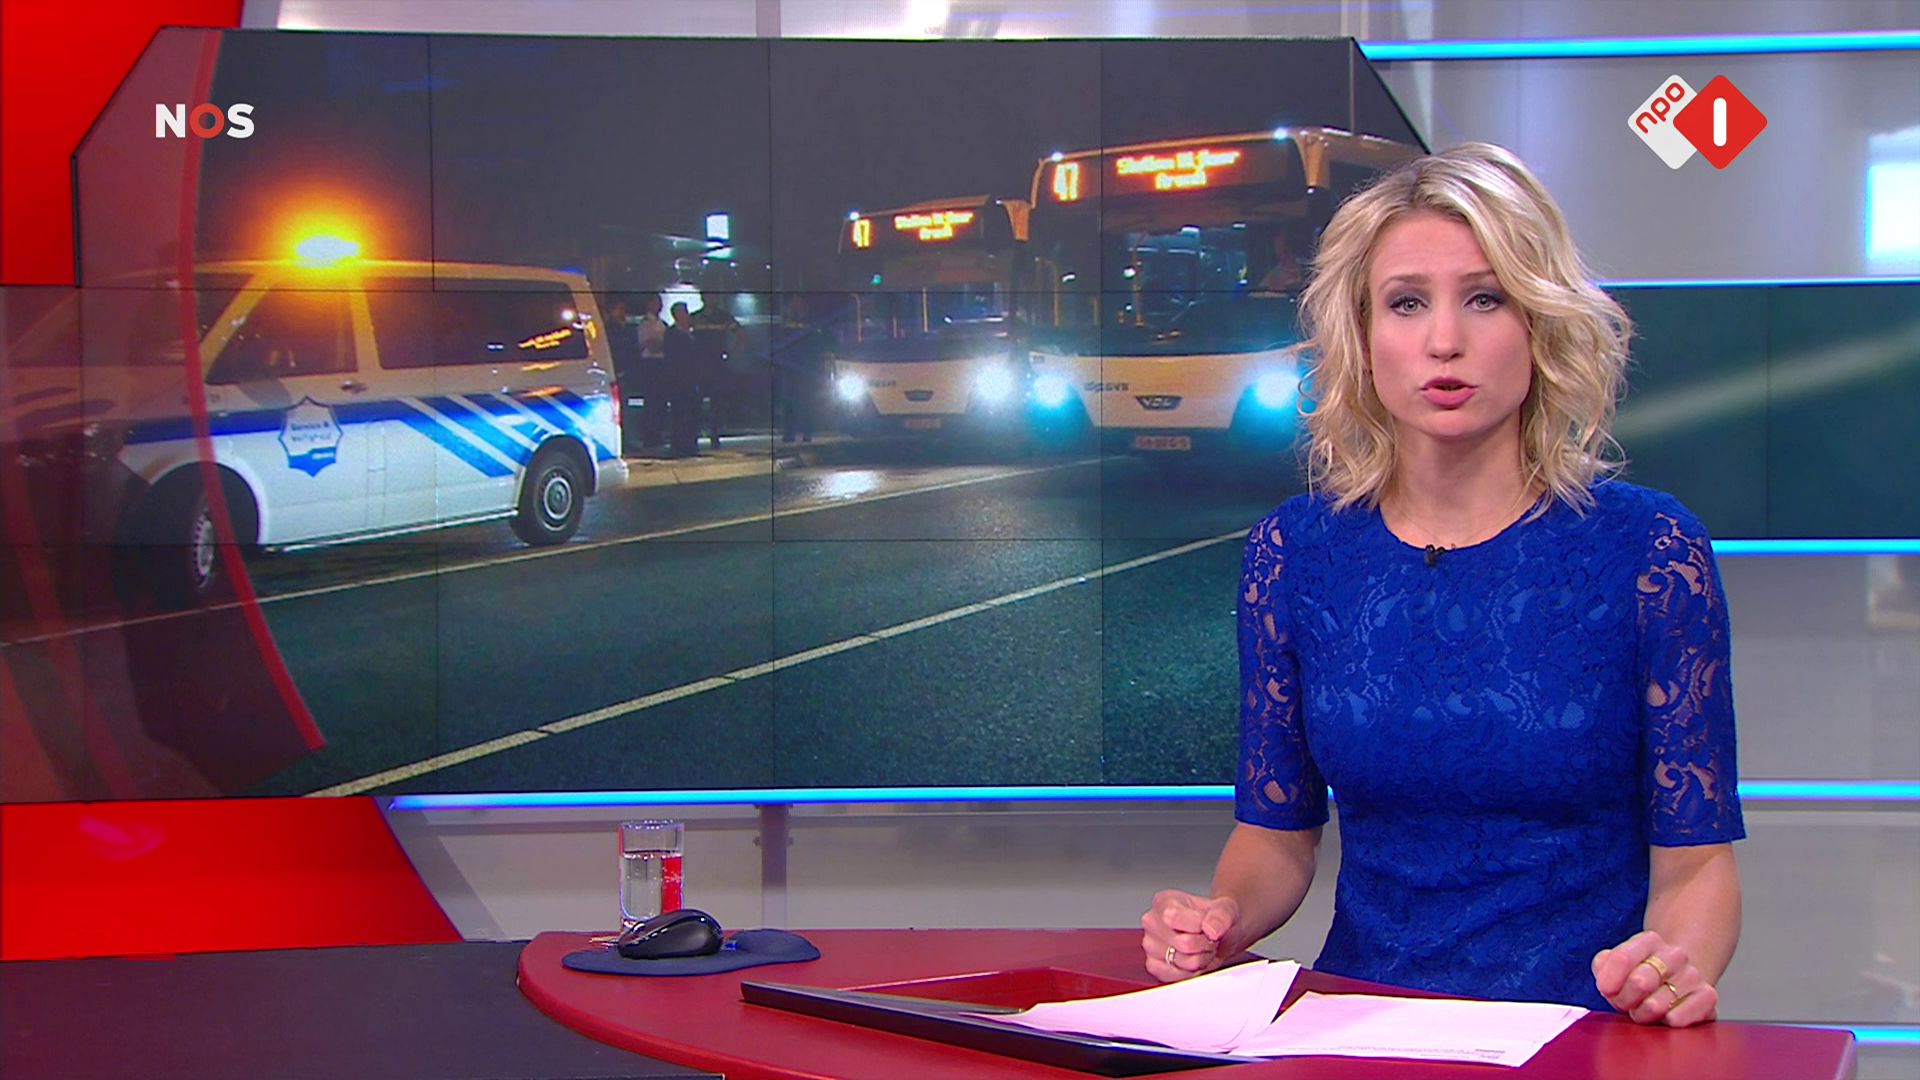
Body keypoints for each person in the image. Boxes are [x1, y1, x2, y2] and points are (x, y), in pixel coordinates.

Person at [1140, 143, 1744, 1028]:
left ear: (1539, 322)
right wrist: (1219, 921)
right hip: (1355, 1029)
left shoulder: (1652, 550)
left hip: (1573, 1034)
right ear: (1362, 335)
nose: (1444, 341)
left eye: (1485, 298)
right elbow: (1277, 838)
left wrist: (1667, 969)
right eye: (1407, 302)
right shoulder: (1293, 553)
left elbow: (1697, 864)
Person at [690, 296, 742, 450]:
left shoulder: (723, 317)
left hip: (717, 364)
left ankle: (715, 435)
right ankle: (694, 434)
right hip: (699, 365)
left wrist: (732, 352)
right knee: (696, 401)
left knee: (716, 401)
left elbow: (740, 333)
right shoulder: (695, 317)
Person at [664, 301, 700, 458]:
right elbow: (674, 358)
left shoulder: (692, 333)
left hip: (692, 380)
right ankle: (679, 445)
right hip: (678, 380)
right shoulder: (672, 334)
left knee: (692, 412)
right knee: (679, 413)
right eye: (684, 312)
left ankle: (691, 443)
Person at [634, 293, 669, 449]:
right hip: (650, 365)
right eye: (655, 303)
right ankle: (650, 436)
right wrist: (659, 344)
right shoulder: (645, 324)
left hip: (662, 364)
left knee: (661, 402)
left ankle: (659, 433)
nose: (659, 306)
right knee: (652, 402)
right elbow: (648, 345)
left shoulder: (662, 323)